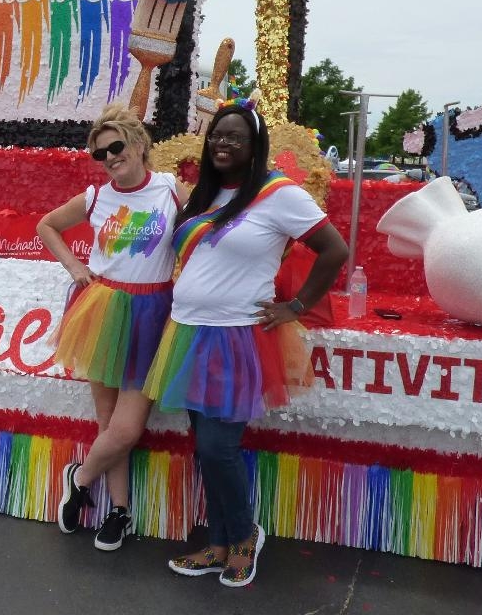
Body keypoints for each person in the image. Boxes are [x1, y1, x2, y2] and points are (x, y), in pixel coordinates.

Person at [143, 100, 349, 588]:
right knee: (204, 446)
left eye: (235, 136)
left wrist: (294, 308)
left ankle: (243, 537)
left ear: (255, 146)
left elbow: (334, 250)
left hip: (237, 337)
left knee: (218, 448)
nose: (223, 143)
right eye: (217, 134)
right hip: (188, 331)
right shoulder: (205, 196)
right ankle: (217, 543)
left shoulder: (280, 195)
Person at [43, 106, 185, 551]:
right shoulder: (95, 197)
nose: (108, 158)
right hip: (103, 308)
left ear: (140, 145)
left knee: (125, 429)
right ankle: (120, 512)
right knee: (108, 422)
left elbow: (211, 227)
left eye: (116, 147)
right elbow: (46, 226)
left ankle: (80, 477)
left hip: (154, 312)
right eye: (99, 153)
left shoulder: (172, 191)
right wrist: (73, 266)